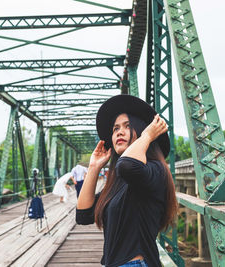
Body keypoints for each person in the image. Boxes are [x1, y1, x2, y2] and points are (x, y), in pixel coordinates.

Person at [76, 95, 178, 267]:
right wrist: (94, 167)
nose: (119, 132)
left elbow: (128, 165)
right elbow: (83, 215)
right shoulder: (118, 182)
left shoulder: (154, 170)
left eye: (127, 126)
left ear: (143, 130)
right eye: (115, 129)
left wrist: (147, 136)